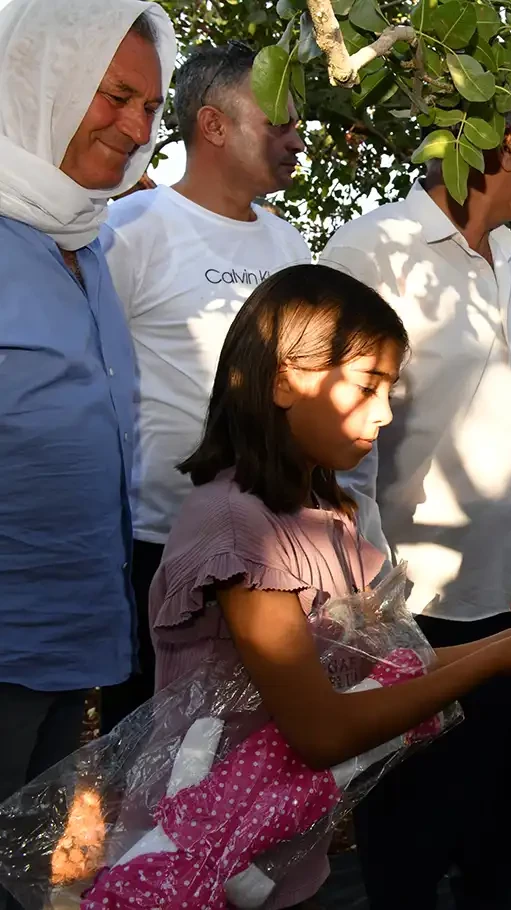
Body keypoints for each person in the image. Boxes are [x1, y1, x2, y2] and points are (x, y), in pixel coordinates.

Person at [149, 263, 511, 910]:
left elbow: (382, 671)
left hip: (278, 859)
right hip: (199, 869)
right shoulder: (241, 535)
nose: (386, 413)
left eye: (390, 390)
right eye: (368, 386)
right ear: (286, 378)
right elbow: (321, 729)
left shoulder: (319, 514)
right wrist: (505, 656)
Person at [319, 108, 511, 910]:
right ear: (498, 146)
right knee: (413, 843)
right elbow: (339, 444)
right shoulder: (372, 251)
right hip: (424, 610)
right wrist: (373, 600)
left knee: (504, 830)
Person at [0, 0, 175, 855]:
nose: (137, 124)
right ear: (41, 83)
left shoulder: (90, 244)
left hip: (73, 643)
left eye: (149, 105)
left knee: (22, 867)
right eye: (114, 95)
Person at [100, 40, 311, 733]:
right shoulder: (130, 231)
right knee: (148, 751)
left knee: (251, 749)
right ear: (213, 125)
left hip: (267, 545)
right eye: (277, 118)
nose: (296, 136)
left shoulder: (289, 247)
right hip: (154, 551)